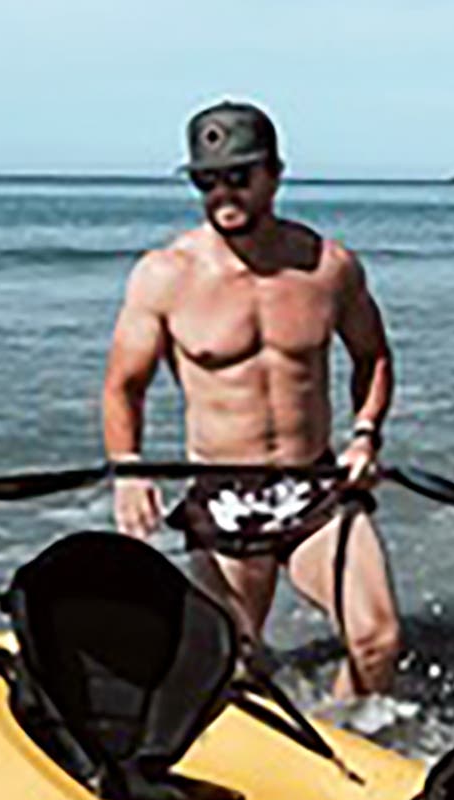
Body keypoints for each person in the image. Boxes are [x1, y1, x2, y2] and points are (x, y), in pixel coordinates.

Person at [100, 100, 401, 698]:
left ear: (275, 173)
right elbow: (122, 387)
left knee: (378, 639)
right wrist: (128, 471)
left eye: (239, 175)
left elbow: (374, 357)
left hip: (315, 487)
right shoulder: (166, 275)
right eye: (206, 180)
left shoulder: (328, 267)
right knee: (234, 672)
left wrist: (366, 433)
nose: (223, 193)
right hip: (225, 497)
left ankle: (344, 746)